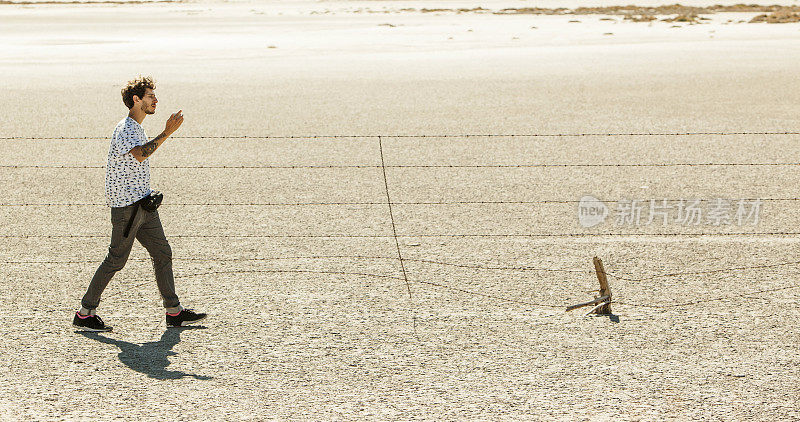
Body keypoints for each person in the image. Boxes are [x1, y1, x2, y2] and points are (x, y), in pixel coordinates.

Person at [73, 76, 206, 331]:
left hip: (144, 205)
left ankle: (174, 312)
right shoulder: (126, 128)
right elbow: (139, 154)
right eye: (150, 96)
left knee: (162, 252)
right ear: (136, 100)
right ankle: (84, 313)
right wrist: (167, 132)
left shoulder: (137, 127)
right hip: (127, 209)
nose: (155, 100)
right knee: (116, 260)